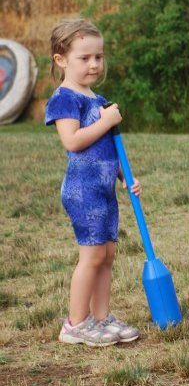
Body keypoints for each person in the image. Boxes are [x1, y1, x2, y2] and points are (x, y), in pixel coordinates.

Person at [45, 18, 141, 346]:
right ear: (61, 60)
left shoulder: (97, 99)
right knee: (91, 257)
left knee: (107, 254)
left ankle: (101, 318)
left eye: (98, 57)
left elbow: (107, 148)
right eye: (84, 58)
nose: (94, 64)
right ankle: (76, 323)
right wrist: (107, 120)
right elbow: (72, 141)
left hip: (104, 188)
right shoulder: (65, 99)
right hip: (82, 191)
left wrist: (125, 177)